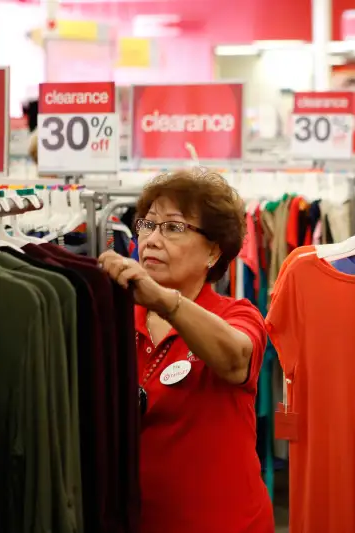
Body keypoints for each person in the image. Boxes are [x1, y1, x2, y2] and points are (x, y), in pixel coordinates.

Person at [97, 168, 274, 533]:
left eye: (173, 228)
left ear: (213, 250)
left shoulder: (237, 314)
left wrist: (165, 301)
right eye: (146, 225)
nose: (152, 239)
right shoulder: (115, 318)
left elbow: (235, 358)